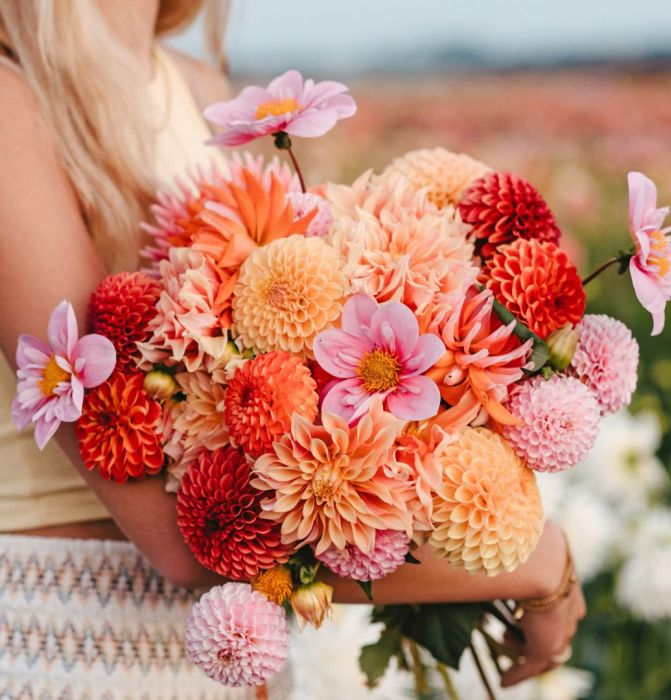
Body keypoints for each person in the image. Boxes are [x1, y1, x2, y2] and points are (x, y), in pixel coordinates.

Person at [0, 0, 585, 697]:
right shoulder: (12, 105)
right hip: (73, 648)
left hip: (239, 663)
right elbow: (180, 538)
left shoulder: (194, 84)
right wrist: (535, 560)